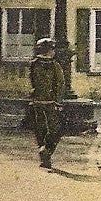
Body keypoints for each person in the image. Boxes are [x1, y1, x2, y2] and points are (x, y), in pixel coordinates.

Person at [28, 37, 64, 169]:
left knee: (40, 128)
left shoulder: (34, 64)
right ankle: (46, 151)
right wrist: (59, 102)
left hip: (37, 100)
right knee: (55, 129)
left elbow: (32, 82)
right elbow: (60, 84)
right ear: (49, 51)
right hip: (51, 101)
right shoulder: (55, 66)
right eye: (53, 49)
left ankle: (43, 152)